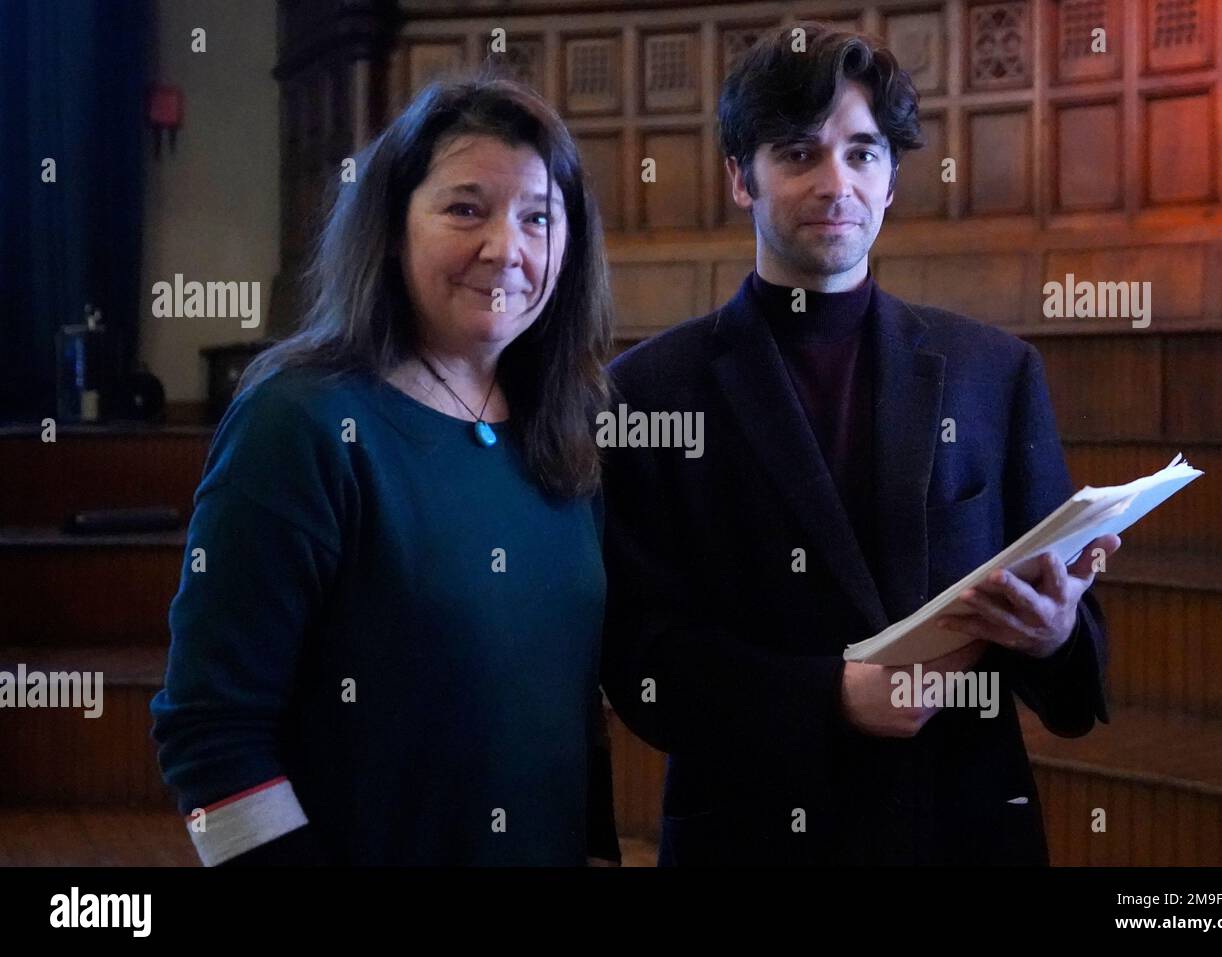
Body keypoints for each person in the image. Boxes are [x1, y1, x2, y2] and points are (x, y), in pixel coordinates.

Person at [600, 22, 1121, 866]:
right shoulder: (647, 391)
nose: (834, 182)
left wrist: (1057, 632)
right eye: (800, 154)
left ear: (891, 182)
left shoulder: (997, 372)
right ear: (742, 177)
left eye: (863, 153)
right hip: (753, 838)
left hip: (963, 831)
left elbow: (1073, 680)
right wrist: (830, 697)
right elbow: (639, 661)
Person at [150, 74, 621, 866]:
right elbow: (207, 728)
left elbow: (566, 703)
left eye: (540, 216)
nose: (507, 247)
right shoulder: (299, 419)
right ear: (393, 228)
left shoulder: (564, 419)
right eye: (466, 208)